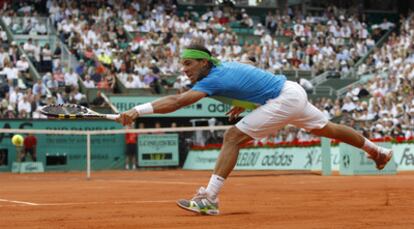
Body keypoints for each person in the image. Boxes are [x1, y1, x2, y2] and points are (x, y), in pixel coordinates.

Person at [117, 44, 393, 216]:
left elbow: (177, 101)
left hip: (283, 98)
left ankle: (209, 199)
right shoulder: (222, 66)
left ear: (203, 62)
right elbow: (249, 72)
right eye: (183, 65)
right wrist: (243, 102)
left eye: (188, 64)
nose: (185, 70)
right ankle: (377, 151)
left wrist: (137, 111)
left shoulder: (214, 77)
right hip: (290, 92)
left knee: (232, 137)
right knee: (327, 128)